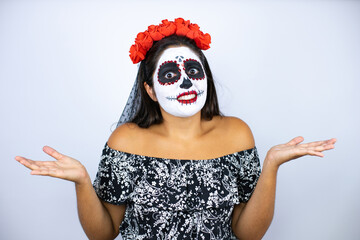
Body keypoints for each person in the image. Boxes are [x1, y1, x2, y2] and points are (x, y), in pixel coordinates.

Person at [15, 18, 336, 240]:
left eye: (193, 70)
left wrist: (271, 166)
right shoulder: (126, 139)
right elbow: (104, 233)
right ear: (150, 89)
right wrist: (83, 181)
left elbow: (246, 233)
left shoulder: (237, 134)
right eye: (169, 74)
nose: (185, 82)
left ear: (206, 78)